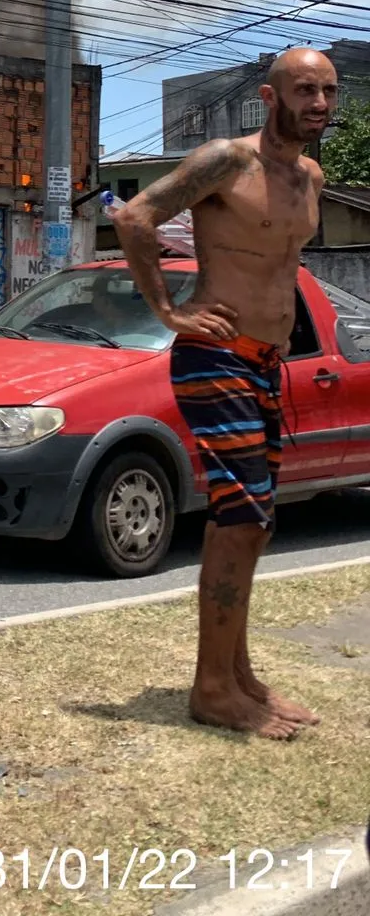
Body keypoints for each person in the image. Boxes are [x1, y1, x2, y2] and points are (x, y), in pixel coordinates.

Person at [113, 47, 336, 740]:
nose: (320, 104)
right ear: (270, 99)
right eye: (305, 90)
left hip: (267, 363)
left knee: (254, 519)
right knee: (241, 518)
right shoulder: (225, 161)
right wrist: (172, 313)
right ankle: (212, 688)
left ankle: (237, 674)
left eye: (329, 92)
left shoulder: (311, 177)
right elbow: (134, 217)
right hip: (215, 355)